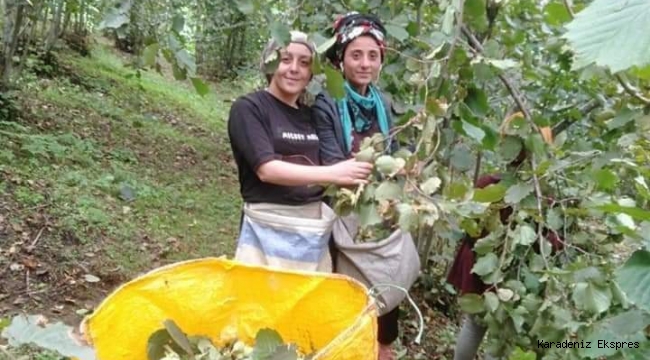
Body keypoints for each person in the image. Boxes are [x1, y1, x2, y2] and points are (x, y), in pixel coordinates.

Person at [227, 30, 373, 272]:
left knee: (308, 305)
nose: (294, 68)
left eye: (304, 63)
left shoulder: (312, 114)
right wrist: (333, 174)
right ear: (270, 63)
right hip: (268, 225)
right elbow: (267, 170)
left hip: (313, 231)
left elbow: (334, 158)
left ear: (311, 73)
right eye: (285, 59)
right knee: (264, 304)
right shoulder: (249, 108)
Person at [312, 12, 402, 360]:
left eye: (372, 55)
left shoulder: (382, 104)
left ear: (381, 59)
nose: (365, 63)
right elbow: (334, 162)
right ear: (341, 58)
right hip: (342, 211)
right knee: (344, 286)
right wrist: (383, 172)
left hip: (380, 211)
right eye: (356, 55)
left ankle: (380, 347)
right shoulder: (327, 102)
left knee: (384, 278)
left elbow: (393, 151)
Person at [446, 148, 564, 360]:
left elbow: (470, 226)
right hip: (509, 270)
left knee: (475, 324)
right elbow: (552, 243)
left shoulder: (488, 184)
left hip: (485, 264)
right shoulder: (542, 196)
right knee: (499, 331)